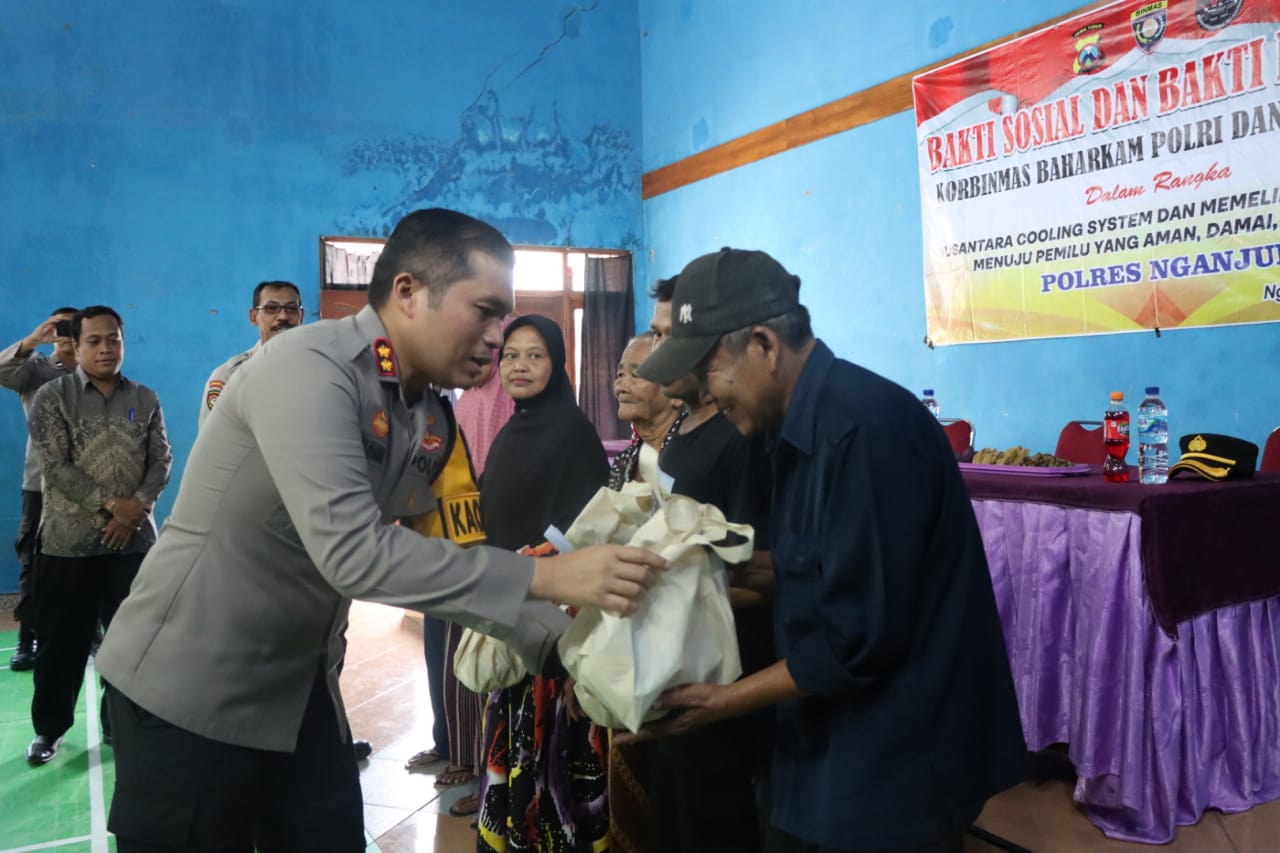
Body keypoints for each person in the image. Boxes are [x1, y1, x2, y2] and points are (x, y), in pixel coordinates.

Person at [94, 208, 666, 852]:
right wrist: (550, 576)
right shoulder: (310, 368)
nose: (495, 338)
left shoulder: (430, 418)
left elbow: (454, 553)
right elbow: (354, 553)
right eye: (484, 312)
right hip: (188, 687)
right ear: (408, 292)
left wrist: (577, 658)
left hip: (298, 689)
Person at [636, 248, 1026, 852]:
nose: (706, 392)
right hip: (825, 746)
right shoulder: (792, 425)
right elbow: (826, 565)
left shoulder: (862, 431)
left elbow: (857, 639)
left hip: (892, 761)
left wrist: (720, 702)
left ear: (763, 344)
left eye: (709, 370)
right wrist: (709, 570)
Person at [640, 275, 777, 853]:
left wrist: (656, 591)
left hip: (723, 669)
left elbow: (757, 571)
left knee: (714, 822)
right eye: (654, 334)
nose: (657, 351)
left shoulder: (739, 435)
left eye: (670, 336)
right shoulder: (681, 428)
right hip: (678, 659)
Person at [476, 314, 610, 853]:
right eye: (510, 355)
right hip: (511, 610)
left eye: (535, 355)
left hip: (555, 623)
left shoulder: (572, 433)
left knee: (551, 751)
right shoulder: (512, 430)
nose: (520, 366)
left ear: (557, 364)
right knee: (514, 741)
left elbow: (587, 529)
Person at [25, 306, 172, 765]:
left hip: (133, 546)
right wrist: (112, 505)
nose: (106, 348)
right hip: (68, 546)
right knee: (61, 646)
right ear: (75, 345)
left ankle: (120, 725)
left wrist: (135, 510)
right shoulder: (53, 397)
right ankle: (50, 729)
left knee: (133, 643)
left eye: (114, 340)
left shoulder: (145, 398)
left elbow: (161, 459)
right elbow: (56, 466)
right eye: (94, 341)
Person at [0, 308, 79, 671]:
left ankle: (89, 634)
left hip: (90, 485)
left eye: (72, 326)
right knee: (35, 562)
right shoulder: (34, 370)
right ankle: (28, 638)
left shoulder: (97, 370)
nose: (65, 333)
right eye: (58, 325)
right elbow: (3, 372)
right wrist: (33, 340)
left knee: (89, 560)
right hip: (41, 483)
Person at [198, 280, 304, 427]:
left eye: (291, 309)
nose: (283, 316)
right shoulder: (228, 377)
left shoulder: (319, 369)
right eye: (271, 308)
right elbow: (213, 438)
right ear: (254, 317)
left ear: (301, 316)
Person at [606, 331, 682, 491]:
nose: (621, 387)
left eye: (636, 375)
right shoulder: (624, 462)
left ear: (676, 393)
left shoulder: (689, 458)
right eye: (620, 374)